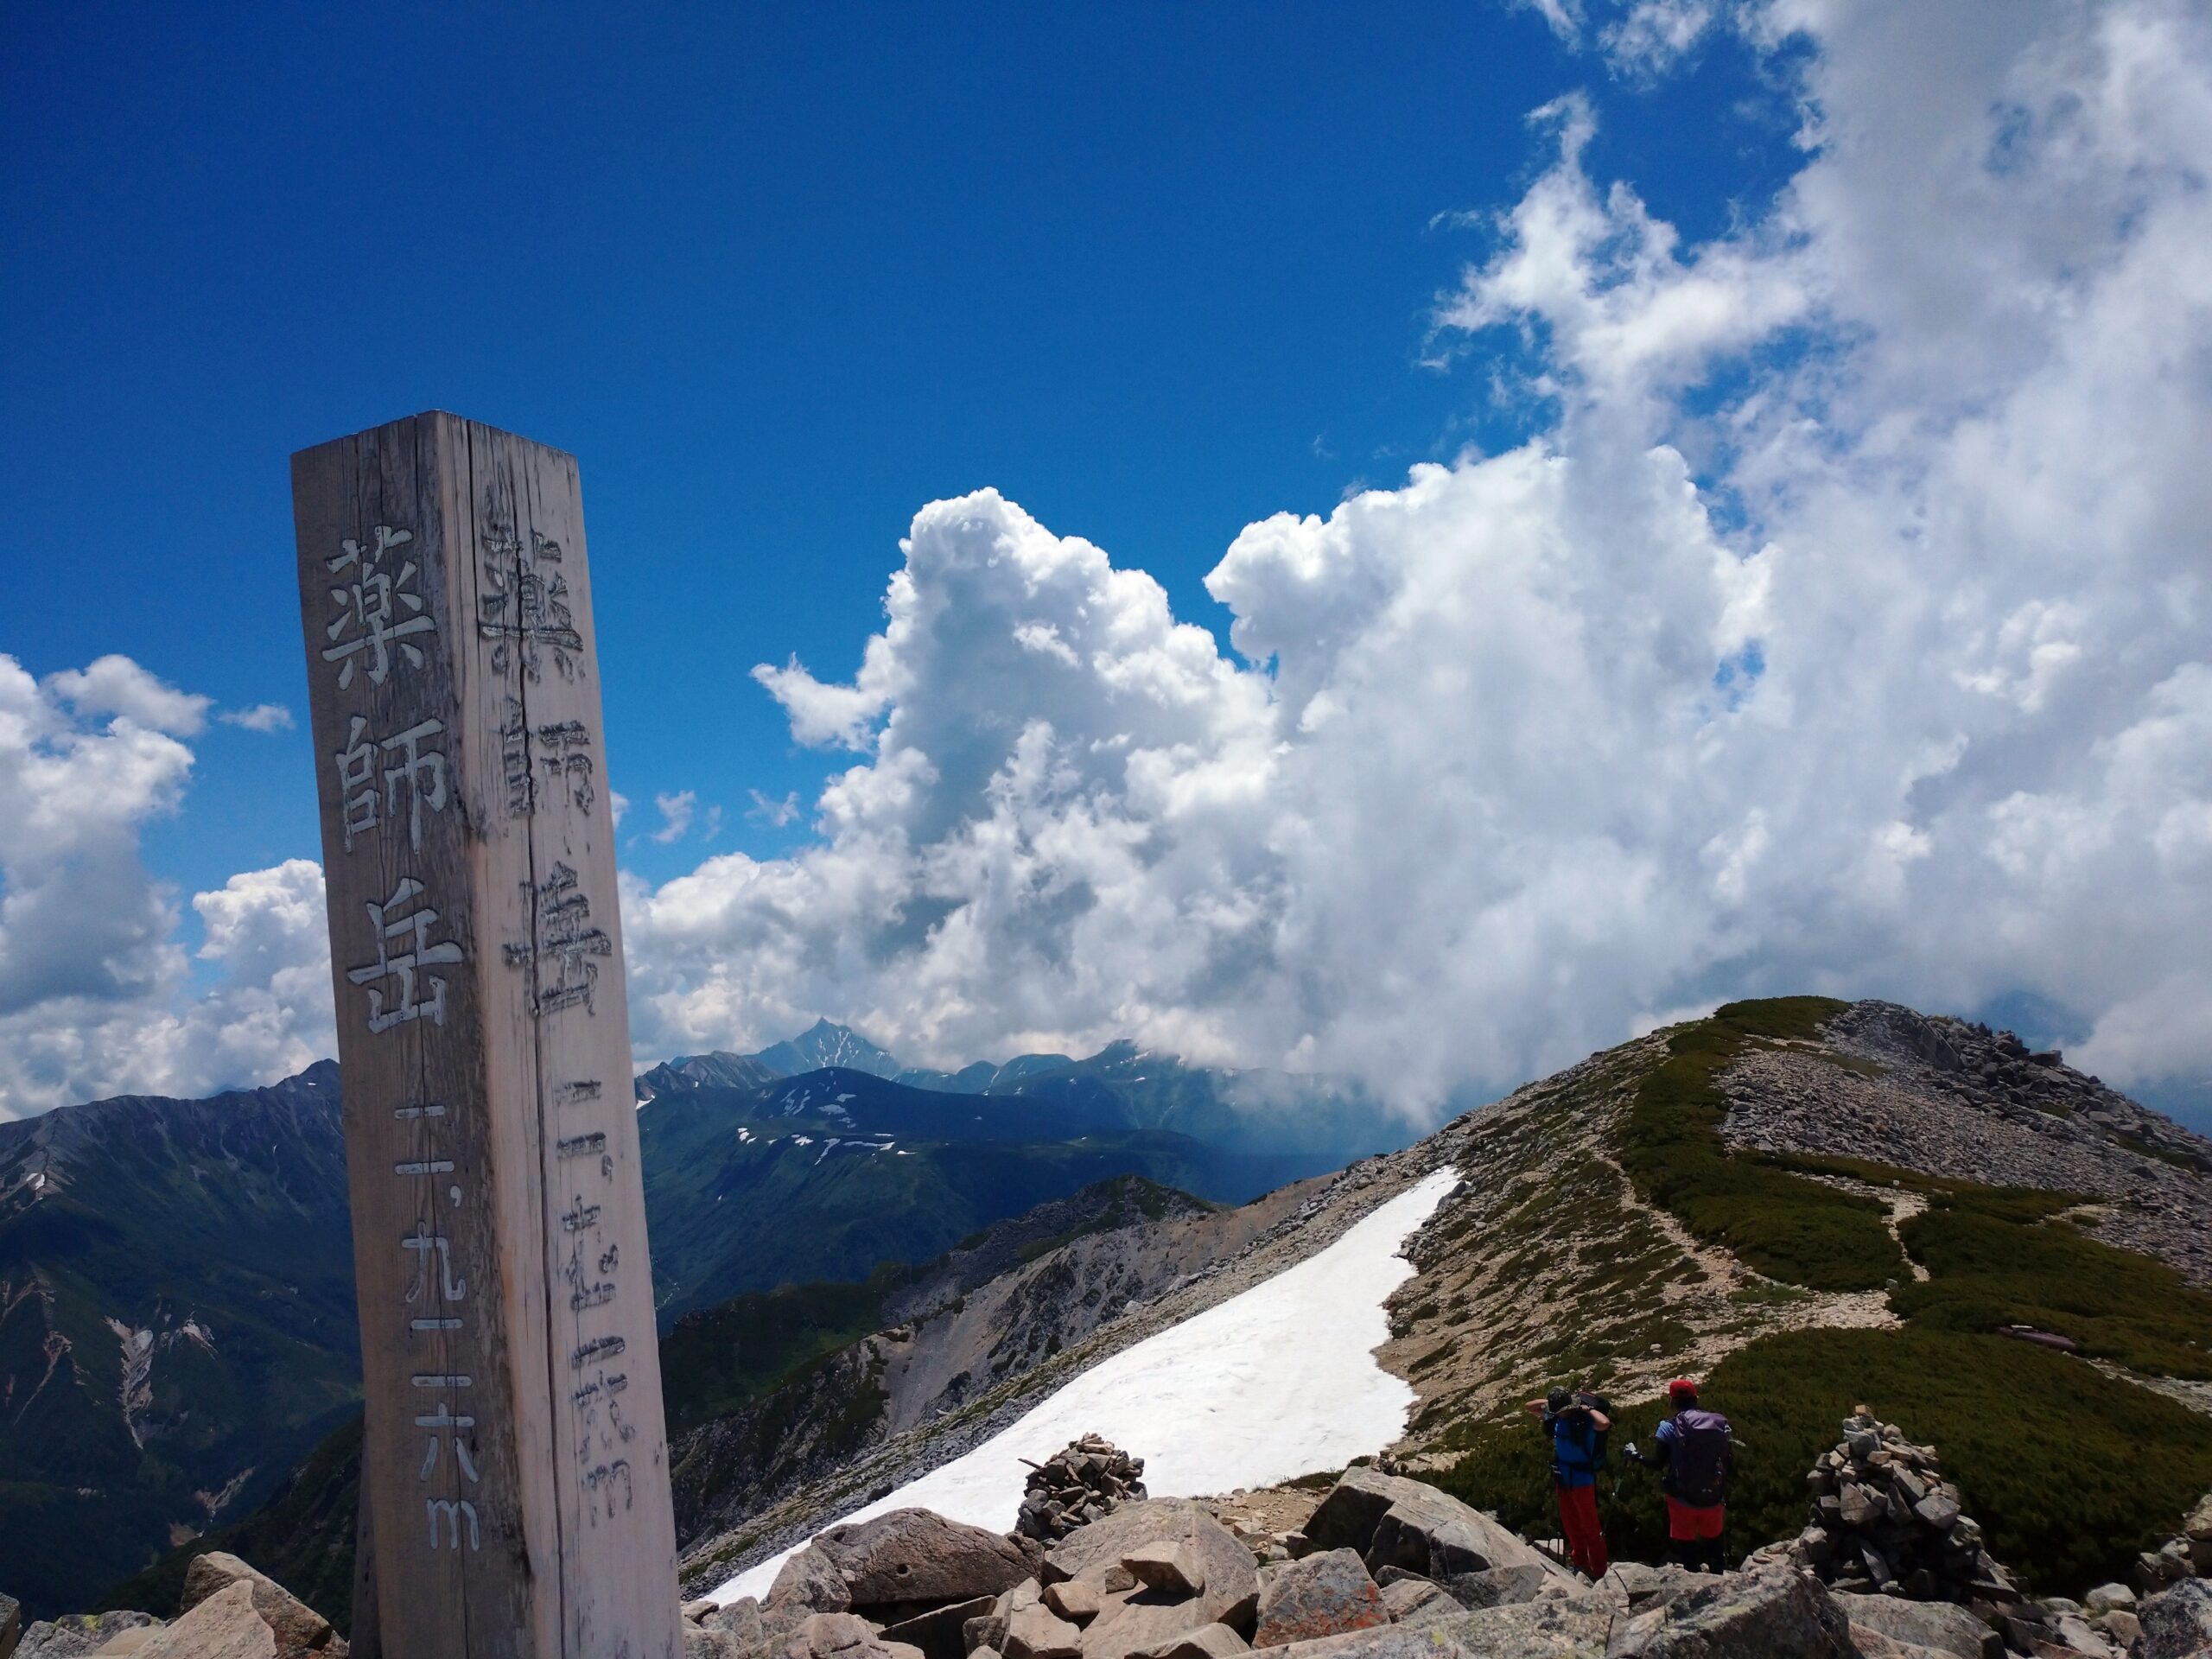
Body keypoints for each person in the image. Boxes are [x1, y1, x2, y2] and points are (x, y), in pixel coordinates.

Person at [1626, 1378, 1734, 1573]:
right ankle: (1720, 1579)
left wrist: (1635, 1456)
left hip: (1681, 1497)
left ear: (1672, 1401)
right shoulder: (1719, 1423)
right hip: (1714, 1495)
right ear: (1696, 1398)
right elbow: (1729, 1461)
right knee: (1715, 1545)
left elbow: (1658, 1464)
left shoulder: (1668, 1427)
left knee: (1688, 1547)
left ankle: (1693, 1579)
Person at [1525, 1386, 1610, 1579]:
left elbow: (1604, 1423)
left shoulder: (1584, 1421)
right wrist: (1552, 1404)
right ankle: (1580, 1562)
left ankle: (1599, 1570)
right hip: (1563, 1478)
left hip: (1582, 1479)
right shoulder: (1555, 1416)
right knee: (1571, 1524)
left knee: (1591, 1527)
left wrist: (1585, 1409)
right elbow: (1530, 1407)